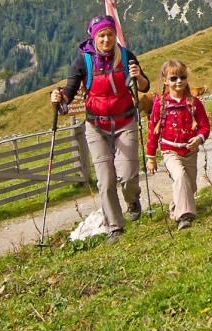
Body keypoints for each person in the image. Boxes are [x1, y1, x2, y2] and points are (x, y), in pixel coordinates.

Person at [51, 15, 149, 243]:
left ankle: (133, 200)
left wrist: (138, 76)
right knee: (105, 181)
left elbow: (144, 85)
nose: (106, 39)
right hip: (96, 126)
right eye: (101, 35)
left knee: (128, 176)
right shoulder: (82, 61)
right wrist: (58, 98)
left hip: (125, 122)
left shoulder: (125, 57)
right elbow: (69, 93)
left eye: (110, 34)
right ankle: (115, 227)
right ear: (93, 37)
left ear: (115, 35)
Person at [145, 59, 210, 230]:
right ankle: (184, 217)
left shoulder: (193, 103)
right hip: (170, 151)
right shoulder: (161, 104)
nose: (178, 81)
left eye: (182, 77)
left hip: (190, 151)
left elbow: (205, 126)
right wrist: (151, 157)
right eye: (173, 78)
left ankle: (175, 208)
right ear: (165, 80)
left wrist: (199, 139)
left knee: (190, 186)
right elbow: (153, 130)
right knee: (180, 177)